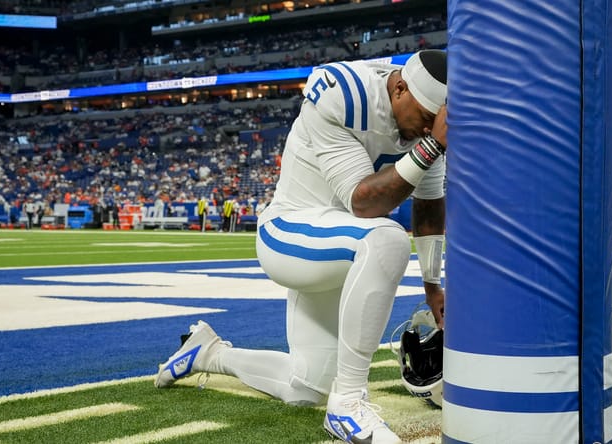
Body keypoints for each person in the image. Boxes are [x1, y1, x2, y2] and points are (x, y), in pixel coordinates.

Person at [155, 50, 448, 444]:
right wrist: (431, 146)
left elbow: (429, 206)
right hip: (289, 232)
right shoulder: (345, 91)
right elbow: (363, 204)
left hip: (338, 245)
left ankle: (207, 353)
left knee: (307, 386)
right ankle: (347, 406)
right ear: (398, 89)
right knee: (386, 237)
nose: (429, 129)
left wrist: (432, 286)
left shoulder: (422, 125)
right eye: (427, 119)